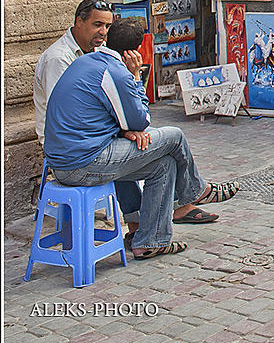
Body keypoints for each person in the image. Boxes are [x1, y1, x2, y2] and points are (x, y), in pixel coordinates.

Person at [42, 17, 239, 259]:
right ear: (135, 51)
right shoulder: (116, 72)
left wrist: (127, 130)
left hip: (67, 161)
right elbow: (141, 120)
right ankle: (195, 190)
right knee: (174, 136)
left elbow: (116, 119)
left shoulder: (86, 61)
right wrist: (135, 76)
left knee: (163, 165)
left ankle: (149, 241)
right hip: (82, 163)